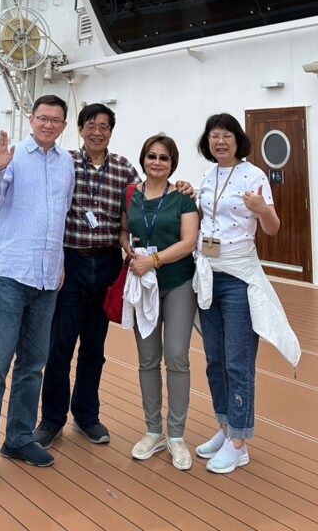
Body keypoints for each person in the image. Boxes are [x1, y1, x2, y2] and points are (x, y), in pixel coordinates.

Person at [0, 95, 75, 492]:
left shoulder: (67, 164)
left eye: (55, 120)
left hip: (47, 279)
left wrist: (59, 261)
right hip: (10, 274)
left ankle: (20, 438)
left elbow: (60, 217)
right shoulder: (13, 157)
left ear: (64, 125)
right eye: (42, 118)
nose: (48, 124)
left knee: (32, 366)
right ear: (32, 120)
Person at [194, 112, 300, 475]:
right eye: (213, 136)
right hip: (208, 275)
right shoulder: (208, 175)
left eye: (225, 135)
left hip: (238, 277)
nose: (219, 141)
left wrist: (262, 209)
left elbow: (272, 228)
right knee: (214, 359)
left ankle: (240, 441)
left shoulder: (254, 176)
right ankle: (224, 428)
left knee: (239, 361)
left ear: (238, 140)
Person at [34, 103, 138, 448]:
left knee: (95, 346)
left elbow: (143, 205)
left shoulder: (124, 169)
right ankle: (51, 420)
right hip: (71, 263)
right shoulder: (65, 163)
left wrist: (180, 188)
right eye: (91, 125)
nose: (97, 131)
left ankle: (86, 415)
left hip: (106, 263)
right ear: (79, 129)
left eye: (104, 126)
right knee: (59, 347)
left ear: (111, 131)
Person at [120, 133, 199, 470]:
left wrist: (153, 261)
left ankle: (177, 435)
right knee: (148, 358)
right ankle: (153, 431)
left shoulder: (183, 197)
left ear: (172, 163)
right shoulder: (131, 195)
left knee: (176, 355)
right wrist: (129, 251)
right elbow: (124, 230)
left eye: (164, 158)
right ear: (143, 159)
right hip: (144, 286)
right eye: (151, 156)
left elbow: (189, 242)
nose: (157, 162)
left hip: (178, 282)